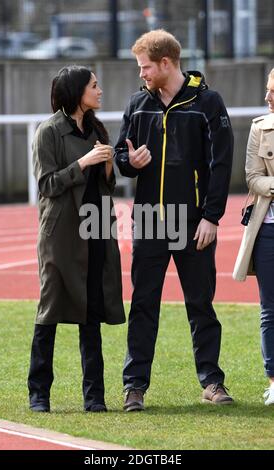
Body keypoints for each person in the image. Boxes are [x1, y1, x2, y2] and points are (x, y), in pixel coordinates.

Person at [115, 29, 234, 411]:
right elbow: (121, 154)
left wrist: (212, 217)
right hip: (149, 221)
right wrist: (127, 163)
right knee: (143, 304)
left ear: (166, 63)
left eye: (145, 67)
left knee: (201, 304)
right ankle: (134, 386)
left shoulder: (208, 103)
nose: (142, 74)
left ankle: (212, 382)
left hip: (194, 221)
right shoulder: (137, 104)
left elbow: (221, 165)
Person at [28, 65, 125, 413]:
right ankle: (39, 394)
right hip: (60, 235)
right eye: (94, 86)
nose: (100, 91)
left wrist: (109, 167)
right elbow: (47, 185)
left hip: (96, 228)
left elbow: (105, 186)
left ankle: (94, 397)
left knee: (92, 311)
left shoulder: (97, 129)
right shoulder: (48, 131)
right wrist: (83, 162)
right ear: (77, 91)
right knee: (49, 312)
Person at [233, 69, 274, 405]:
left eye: (272, 91)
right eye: (266, 89)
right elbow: (252, 177)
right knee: (270, 309)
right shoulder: (260, 128)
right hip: (268, 229)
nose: (267, 97)